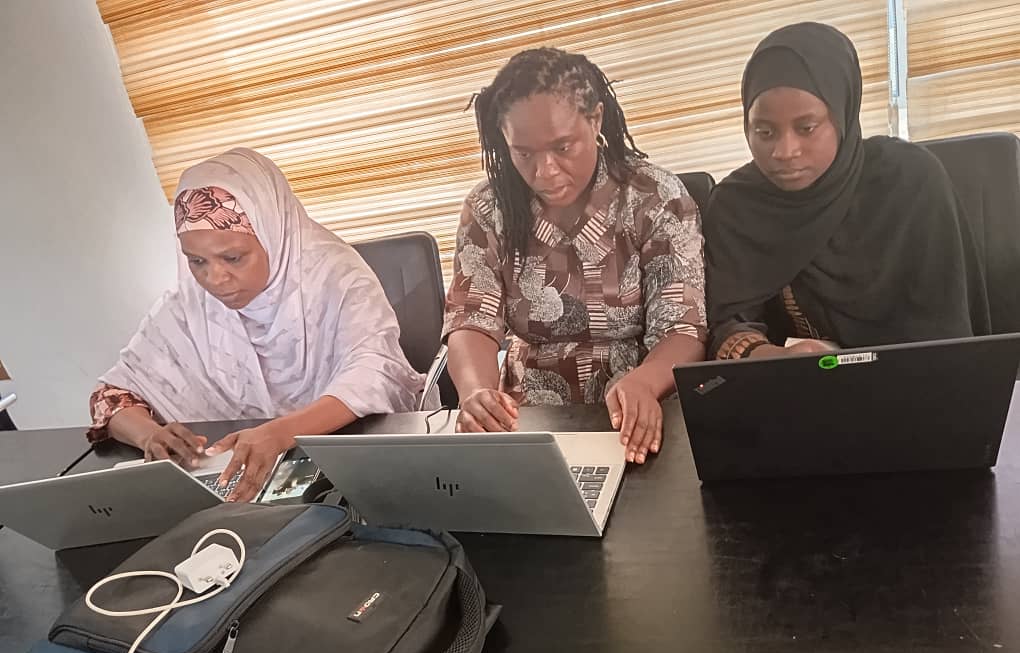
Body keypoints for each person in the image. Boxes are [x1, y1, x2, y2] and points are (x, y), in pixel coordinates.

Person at [89, 148, 424, 501]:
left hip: (349, 473)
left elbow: (378, 373)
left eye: (232, 258)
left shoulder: (336, 278)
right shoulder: (190, 305)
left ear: (271, 233)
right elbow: (111, 396)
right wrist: (148, 435)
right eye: (197, 261)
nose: (214, 278)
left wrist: (283, 432)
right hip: (242, 484)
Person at [444, 47, 707, 464]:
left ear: (596, 120)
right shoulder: (488, 209)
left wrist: (646, 382)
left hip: (640, 419)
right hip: (530, 424)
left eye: (563, 147)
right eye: (524, 153)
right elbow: (471, 318)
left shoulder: (655, 198)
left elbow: (683, 327)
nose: (544, 171)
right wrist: (477, 391)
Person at [705, 22, 990, 361]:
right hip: (797, 390)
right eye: (764, 132)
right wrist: (767, 356)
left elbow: (944, 325)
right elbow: (726, 324)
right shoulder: (737, 206)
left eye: (806, 128)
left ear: (842, 115)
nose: (785, 151)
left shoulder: (909, 181)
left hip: (918, 384)